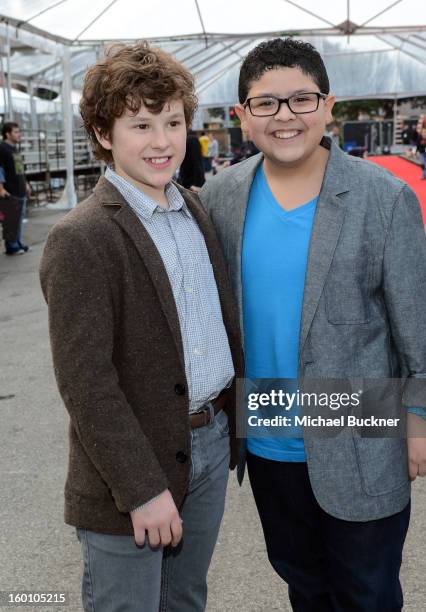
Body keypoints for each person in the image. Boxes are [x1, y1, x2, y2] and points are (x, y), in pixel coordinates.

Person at [200, 38, 426, 612]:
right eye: (266, 104)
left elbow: (419, 319)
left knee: (369, 590)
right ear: (242, 116)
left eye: (301, 100)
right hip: (266, 439)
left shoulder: (382, 197)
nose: (285, 116)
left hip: (362, 433)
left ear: (328, 106)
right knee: (304, 586)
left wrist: (425, 418)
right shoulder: (222, 197)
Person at [39, 42, 242, 612]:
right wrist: (142, 489)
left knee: (186, 600)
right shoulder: (82, 238)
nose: (161, 141)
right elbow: (86, 384)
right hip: (131, 469)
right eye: (141, 124)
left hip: (207, 442)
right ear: (105, 135)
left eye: (173, 121)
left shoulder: (194, 208)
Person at [0, 122, 31, 254]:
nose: (19, 134)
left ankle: (17, 242)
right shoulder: (2, 148)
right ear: (7, 134)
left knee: (19, 219)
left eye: (19, 131)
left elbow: (19, 170)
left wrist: (26, 184)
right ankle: (11, 246)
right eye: (16, 132)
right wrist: (0, 188)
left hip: (20, 189)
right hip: (10, 190)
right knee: (11, 220)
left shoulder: (14, 149)